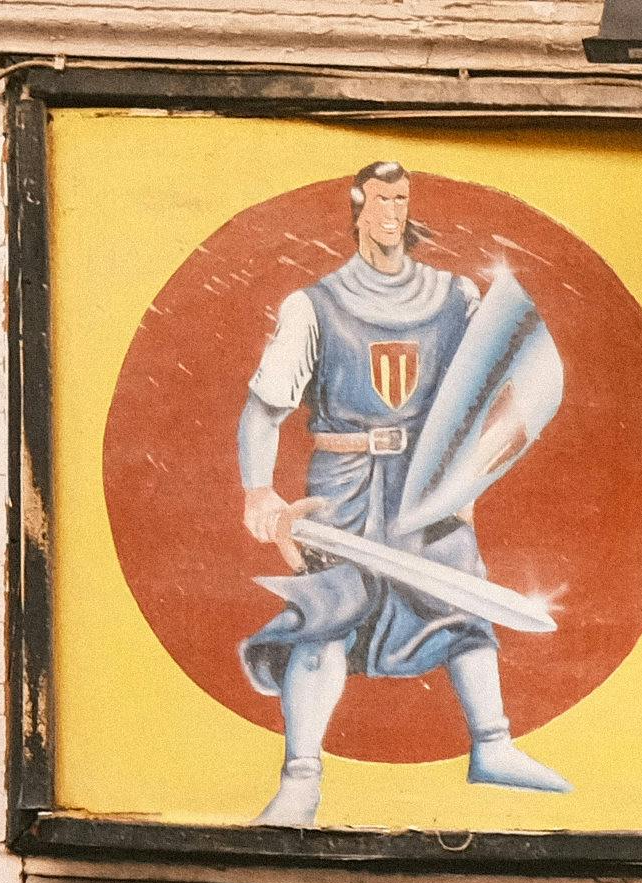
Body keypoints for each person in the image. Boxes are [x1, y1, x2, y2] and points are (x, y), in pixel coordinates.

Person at [236, 158, 576, 826]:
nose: (392, 215)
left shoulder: (457, 298)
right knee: (325, 616)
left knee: (460, 605)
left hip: (427, 483)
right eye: (380, 202)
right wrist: (258, 493)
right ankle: (301, 778)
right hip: (344, 483)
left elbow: (490, 388)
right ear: (357, 208)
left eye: (402, 202)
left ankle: (493, 747)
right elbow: (264, 410)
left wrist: (470, 475)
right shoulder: (315, 306)